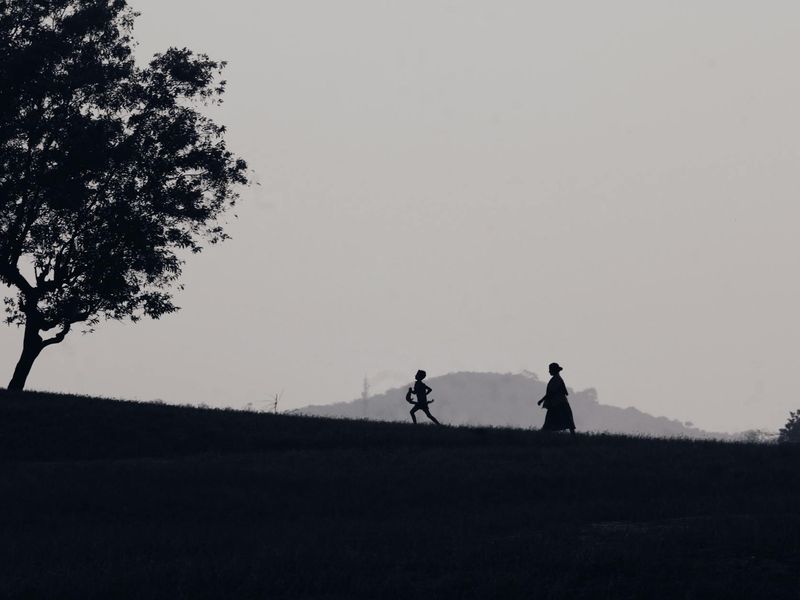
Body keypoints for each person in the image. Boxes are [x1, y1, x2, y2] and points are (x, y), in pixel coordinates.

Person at [537, 362, 576, 434]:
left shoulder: (556, 379)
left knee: (550, 422)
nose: (549, 371)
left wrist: (541, 400)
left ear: (554, 370)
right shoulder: (557, 379)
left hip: (558, 404)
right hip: (559, 403)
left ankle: (543, 435)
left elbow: (550, 393)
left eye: (550, 370)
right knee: (568, 421)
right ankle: (573, 438)